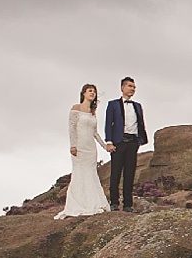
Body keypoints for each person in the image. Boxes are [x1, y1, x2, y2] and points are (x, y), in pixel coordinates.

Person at [55, 84, 115, 220]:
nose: (92, 93)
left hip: (91, 148)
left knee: (91, 173)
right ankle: (79, 203)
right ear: (83, 93)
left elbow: (95, 132)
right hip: (80, 147)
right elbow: (71, 128)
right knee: (80, 173)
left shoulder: (92, 111)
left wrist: (104, 145)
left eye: (94, 91)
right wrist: (73, 146)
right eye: (90, 91)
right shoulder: (76, 108)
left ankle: (93, 202)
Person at [104, 76, 148, 212]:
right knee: (115, 173)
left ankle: (128, 204)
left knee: (130, 174)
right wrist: (109, 141)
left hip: (132, 142)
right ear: (122, 87)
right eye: (130, 86)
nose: (132, 89)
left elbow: (141, 123)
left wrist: (140, 140)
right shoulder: (113, 104)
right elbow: (108, 123)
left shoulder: (137, 106)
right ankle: (114, 202)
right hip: (118, 142)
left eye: (134, 87)